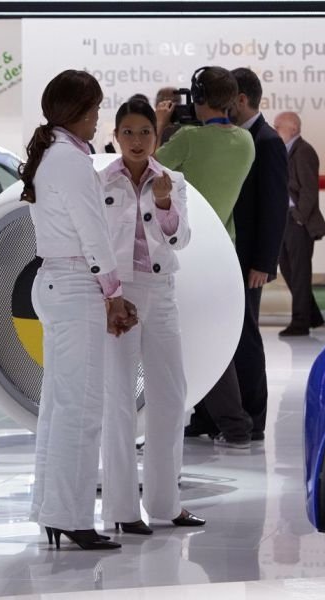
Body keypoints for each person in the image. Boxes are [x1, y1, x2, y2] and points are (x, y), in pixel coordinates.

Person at [20, 69, 137, 550]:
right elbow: (94, 233)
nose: (97, 121)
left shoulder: (51, 154)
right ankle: (70, 517)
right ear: (78, 111)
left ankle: (54, 510)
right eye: (94, 110)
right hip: (74, 285)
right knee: (81, 408)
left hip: (56, 282)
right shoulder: (69, 159)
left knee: (60, 405)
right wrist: (113, 293)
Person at [100, 99, 205, 533]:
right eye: (128, 132)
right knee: (119, 400)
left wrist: (164, 205)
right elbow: (95, 243)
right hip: (118, 297)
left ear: (156, 137)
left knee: (170, 398)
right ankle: (122, 510)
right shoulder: (100, 180)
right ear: (116, 136)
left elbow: (180, 240)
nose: (137, 141)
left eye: (145, 132)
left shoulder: (173, 181)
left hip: (161, 295)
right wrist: (109, 295)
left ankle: (166, 504)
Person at [156, 66, 255, 449]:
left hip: (182, 247)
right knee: (212, 339)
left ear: (198, 99)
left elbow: (148, 168)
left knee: (172, 338)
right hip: (222, 250)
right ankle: (234, 425)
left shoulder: (189, 139)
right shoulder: (245, 142)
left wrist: (162, 122)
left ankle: (167, 418)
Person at [229, 68, 289, 441]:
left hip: (250, 259)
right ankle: (225, 413)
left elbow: (275, 206)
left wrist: (264, 263)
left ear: (240, 99)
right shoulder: (236, 139)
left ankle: (254, 416)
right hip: (230, 254)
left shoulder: (267, 141)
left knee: (247, 335)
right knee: (229, 335)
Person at [273, 111, 325, 336]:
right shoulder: (285, 151)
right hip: (286, 219)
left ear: (293, 129)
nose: (275, 130)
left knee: (298, 272)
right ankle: (312, 315)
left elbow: (309, 190)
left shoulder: (304, 151)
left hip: (298, 222)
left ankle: (301, 322)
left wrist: (298, 216)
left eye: (279, 126)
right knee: (288, 269)